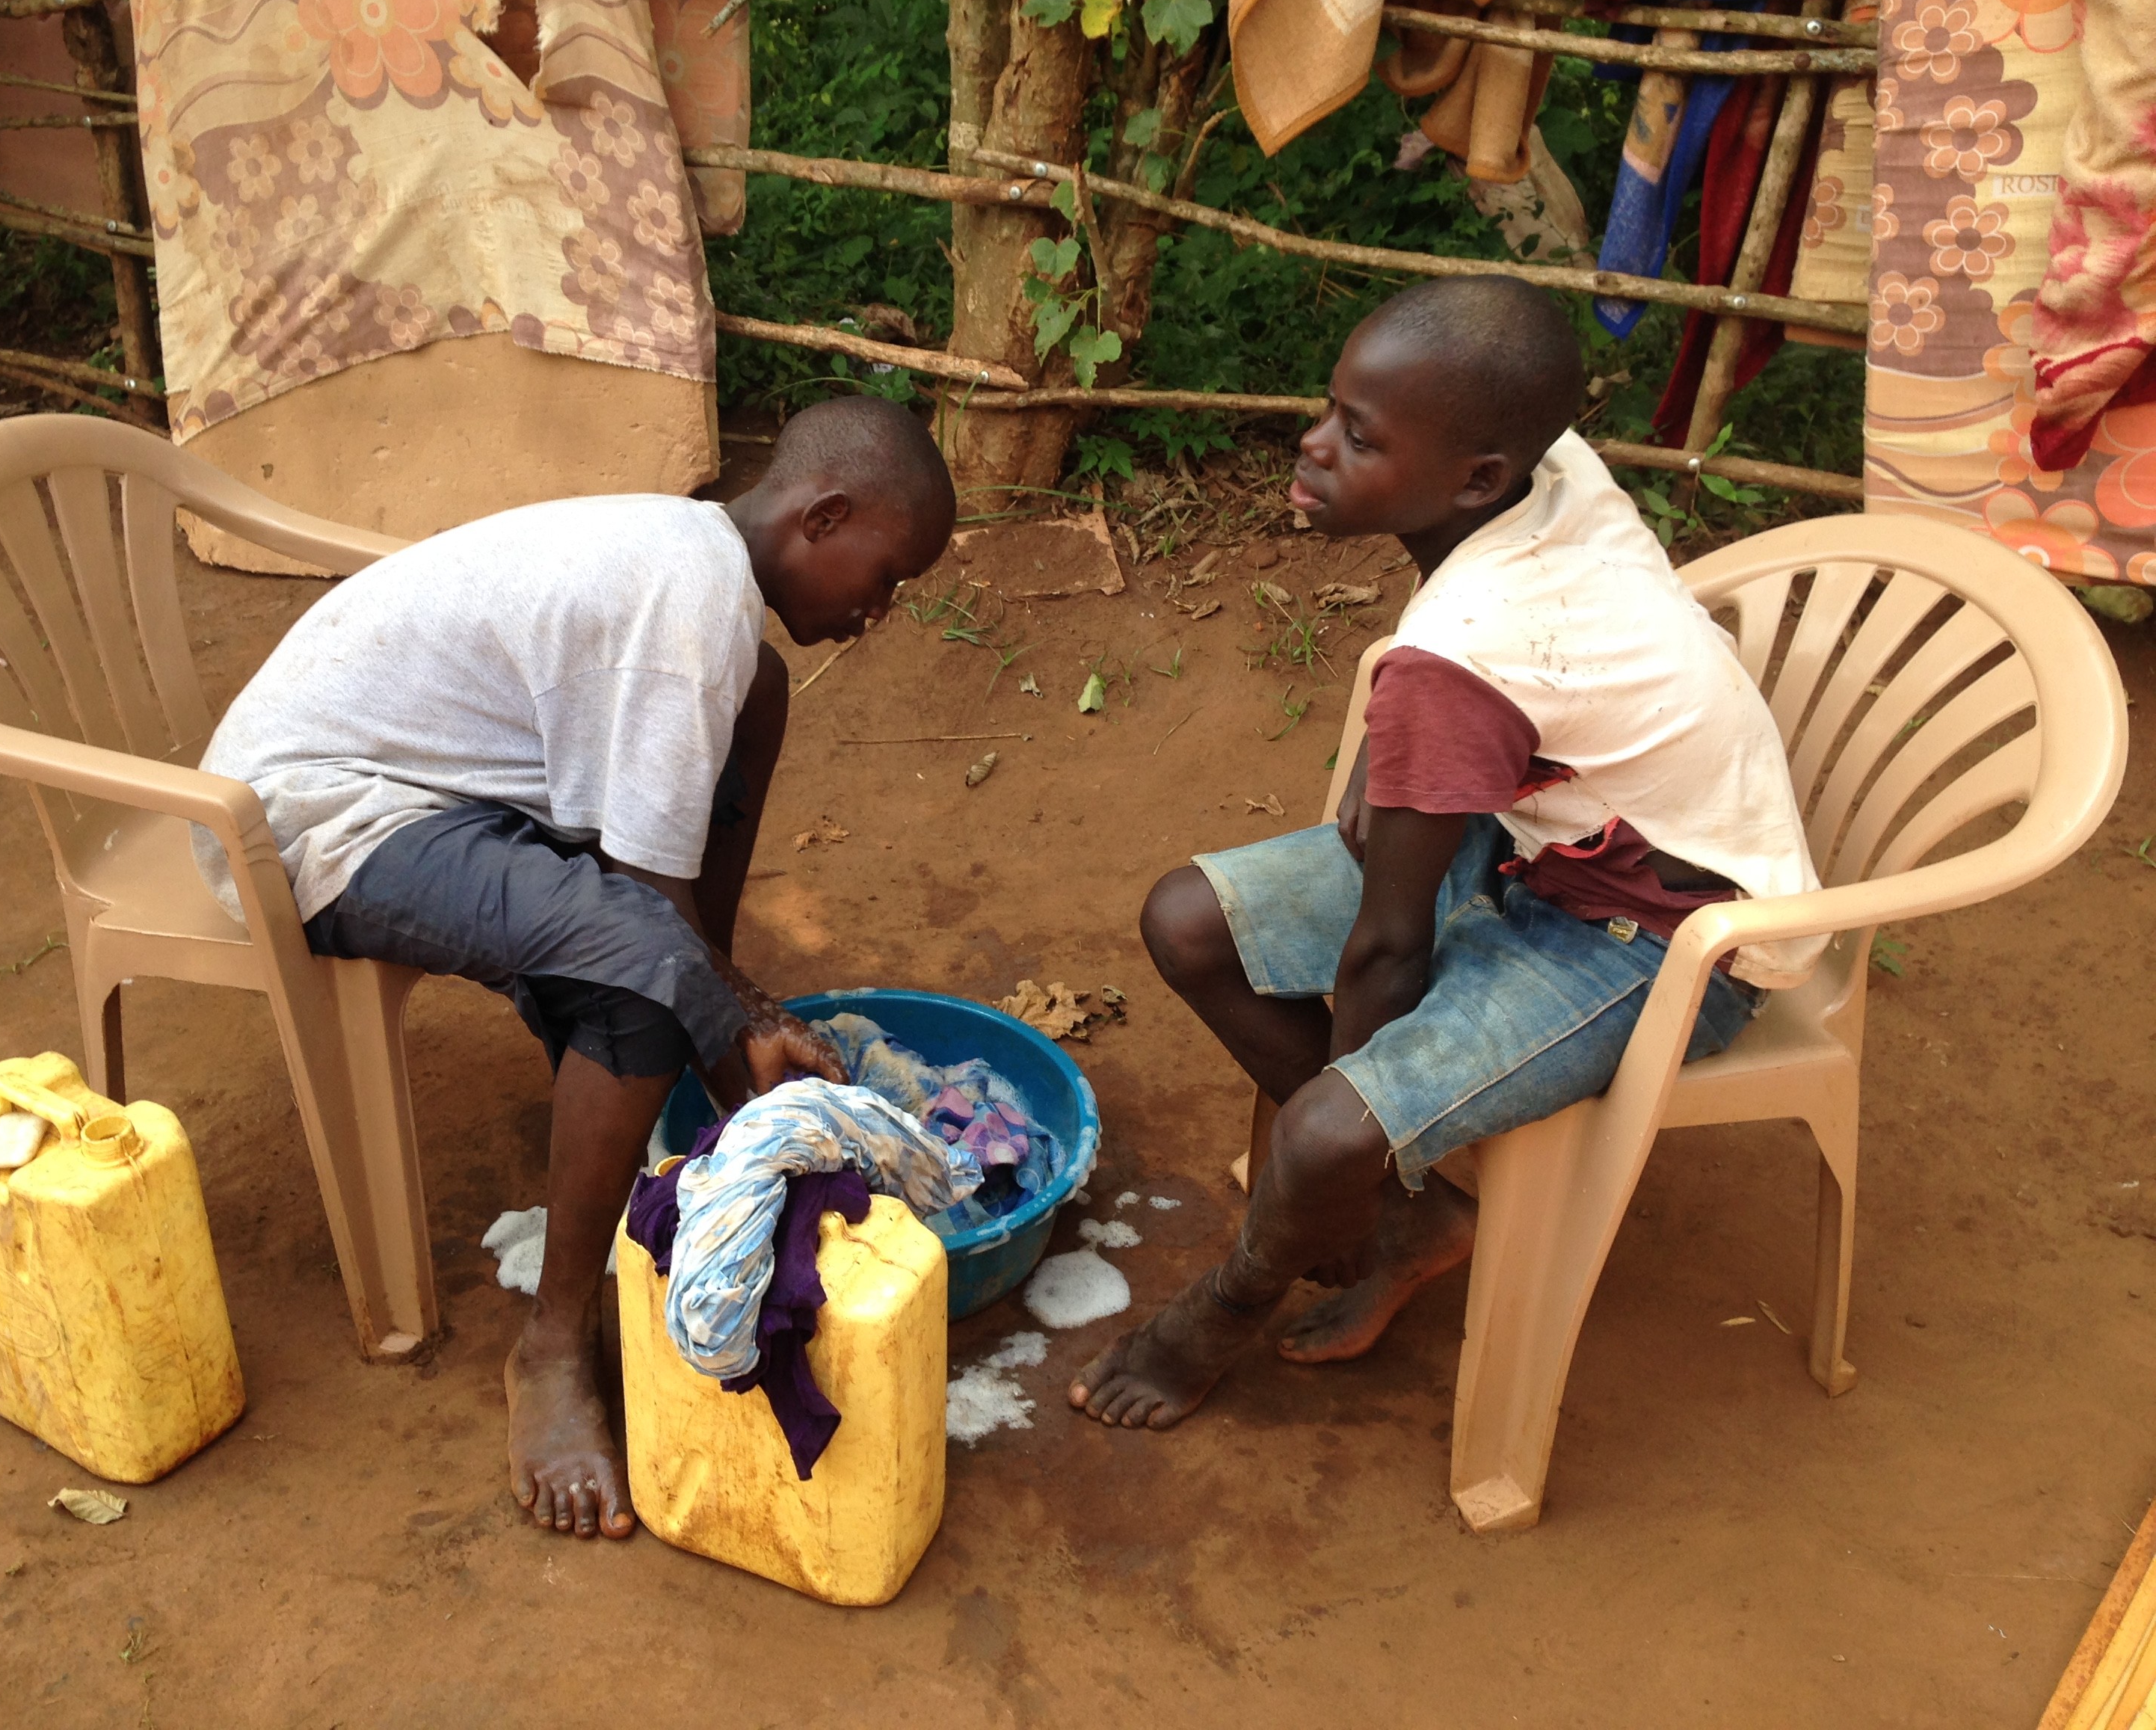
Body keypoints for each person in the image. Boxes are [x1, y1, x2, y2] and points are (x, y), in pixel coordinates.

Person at [1070, 277, 1825, 1430]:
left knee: (1326, 1130)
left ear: (1480, 478)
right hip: (1544, 834)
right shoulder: (1544, 467)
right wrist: (1394, 748)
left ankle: (1223, 1314)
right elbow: (1463, 655)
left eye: (1359, 437)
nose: (1314, 445)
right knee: (1189, 920)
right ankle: (1409, 1216)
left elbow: (1388, 948)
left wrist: (1339, 1141)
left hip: (1666, 937)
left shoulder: (1462, 654)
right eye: (1331, 411)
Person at [192, 395, 958, 1532]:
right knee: (646, 973)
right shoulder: (687, 605)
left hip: (438, 789)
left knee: (752, 715)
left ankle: (670, 1059)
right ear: (824, 515)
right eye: (887, 576)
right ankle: (553, 1348)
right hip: (313, 818)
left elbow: (653, 886)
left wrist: (728, 1001)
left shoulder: (699, 570)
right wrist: (740, 1041)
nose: (880, 611)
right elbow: (644, 908)